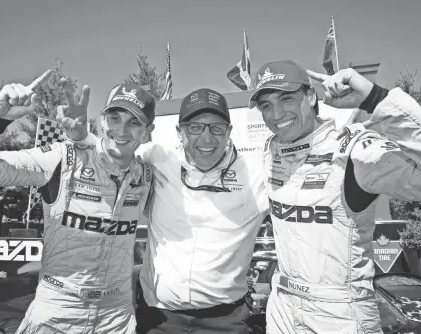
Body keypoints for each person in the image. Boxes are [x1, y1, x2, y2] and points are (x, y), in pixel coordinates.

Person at [61, 88, 269, 333]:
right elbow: (113, 152)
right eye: (195, 127)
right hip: (159, 319)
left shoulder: (257, 175)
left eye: (216, 127)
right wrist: (81, 138)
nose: (207, 138)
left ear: (229, 132)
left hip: (228, 320)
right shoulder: (157, 158)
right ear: (179, 132)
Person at [248, 60, 421, 333]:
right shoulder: (270, 154)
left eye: (286, 98)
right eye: (266, 105)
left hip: (340, 313)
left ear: (310, 96)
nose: (276, 113)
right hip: (282, 306)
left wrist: (376, 98)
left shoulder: (352, 150)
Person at [0, 70, 156, 334]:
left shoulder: (147, 177)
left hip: (116, 318)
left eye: (134, 123)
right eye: (114, 117)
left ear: (147, 133)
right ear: (102, 120)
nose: (121, 129)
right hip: (57, 313)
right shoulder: (62, 158)